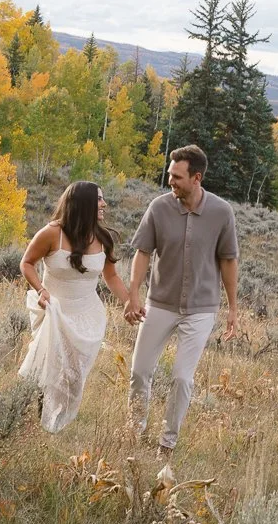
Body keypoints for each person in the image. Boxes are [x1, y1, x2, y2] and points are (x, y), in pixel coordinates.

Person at [124, 145, 240, 460]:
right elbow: (143, 252)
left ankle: (167, 444)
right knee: (140, 370)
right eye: (170, 174)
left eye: (176, 176)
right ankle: (135, 431)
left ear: (196, 178)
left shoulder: (221, 212)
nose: (170, 180)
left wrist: (232, 309)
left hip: (201, 309)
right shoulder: (159, 208)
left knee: (181, 377)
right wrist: (133, 293)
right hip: (159, 302)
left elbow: (228, 261)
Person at [18, 180, 133, 433]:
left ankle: (58, 419)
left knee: (73, 373)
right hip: (54, 310)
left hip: (86, 315)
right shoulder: (51, 233)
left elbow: (111, 276)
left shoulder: (103, 239)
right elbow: (26, 263)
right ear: (83, 204)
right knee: (48, 365)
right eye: (99, 199)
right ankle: (39, 419)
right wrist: (41, 289)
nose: (104, 204)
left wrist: (128, 301)